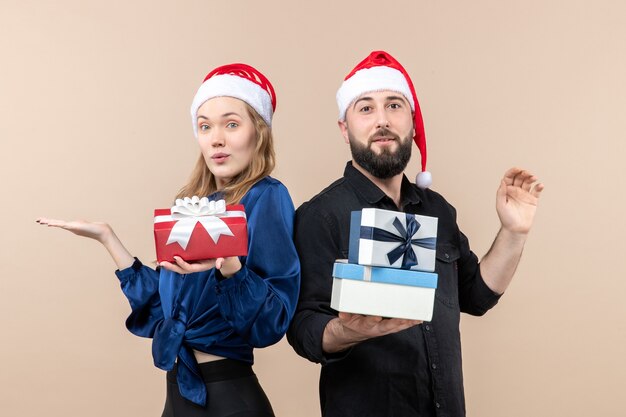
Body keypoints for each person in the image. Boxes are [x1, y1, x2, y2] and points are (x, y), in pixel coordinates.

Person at [287, 51, 544, 417]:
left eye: (394, 105)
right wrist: (349, 331)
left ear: (411, 122)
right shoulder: (320, 216)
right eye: (365, 108)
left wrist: (514, 231)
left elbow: (478, 295)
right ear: (345, 129)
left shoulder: (437, 209)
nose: (382, 120)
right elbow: (303, 329)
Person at [38, 63, 300, 417]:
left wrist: (230, 267)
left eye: (232, 124)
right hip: (179, 396)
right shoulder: (194, 206)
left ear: (260, 132)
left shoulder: (266, 197)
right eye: (205, 126)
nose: (216, 138)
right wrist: (107, 238)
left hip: (229, 398)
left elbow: (273, 321)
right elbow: (167, 312)